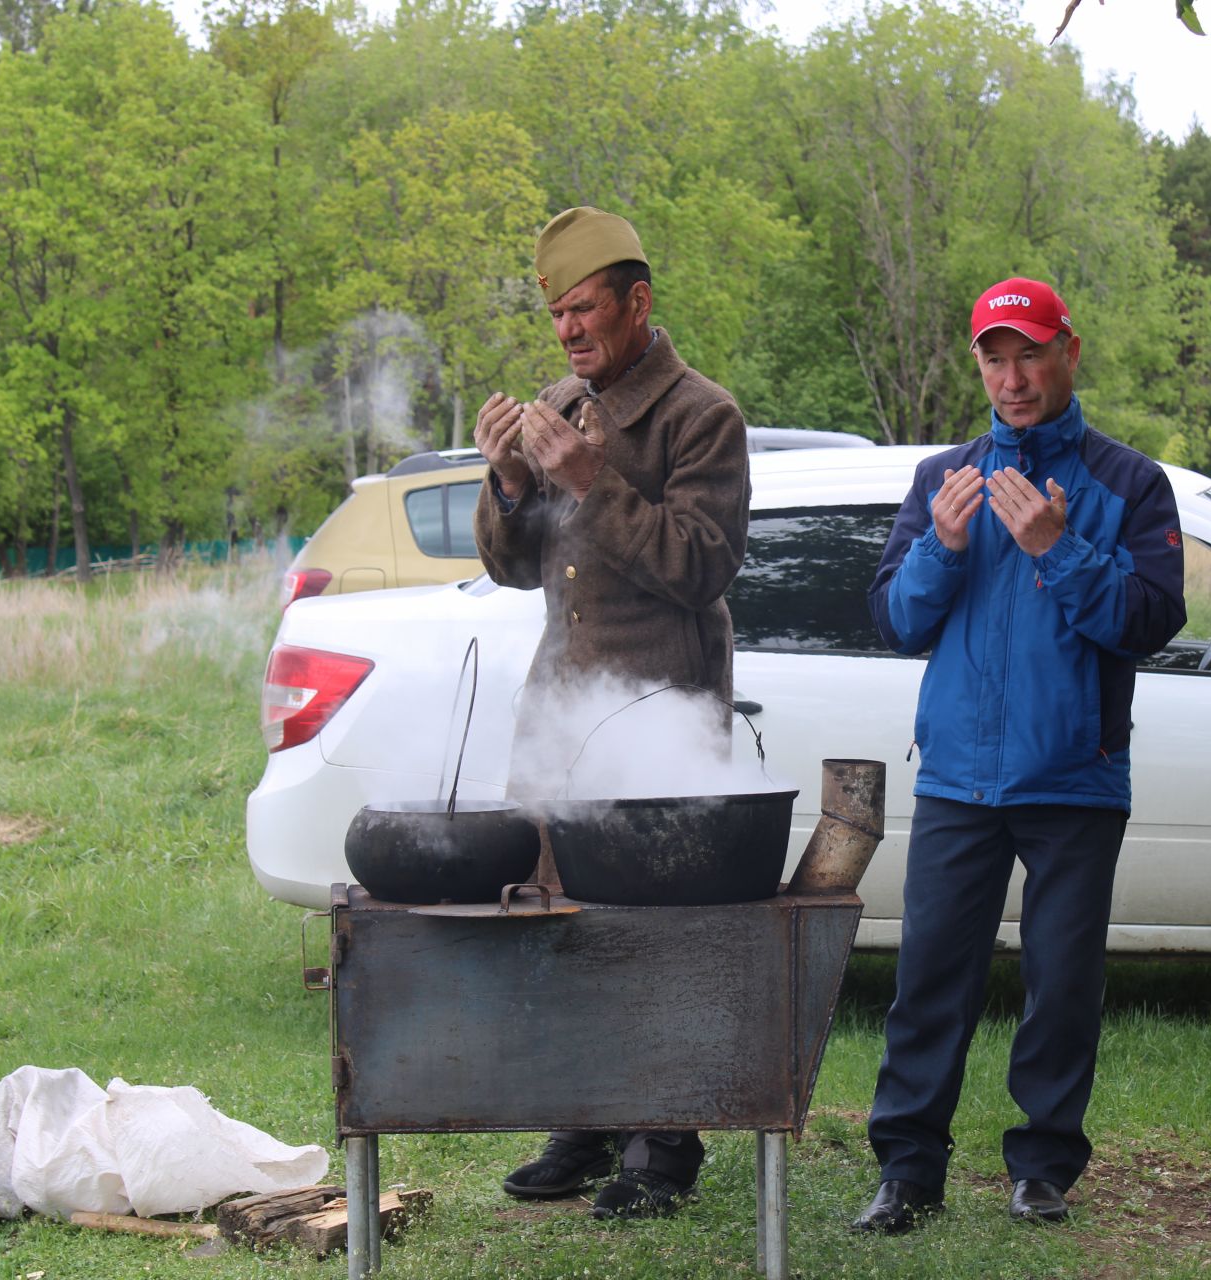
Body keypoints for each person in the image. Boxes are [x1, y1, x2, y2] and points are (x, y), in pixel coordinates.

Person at [852, 277, 1186, 1233]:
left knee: (1061, 986)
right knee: (929, 985)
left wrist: (1057, 546)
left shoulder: (1130, 484)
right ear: (979, 367)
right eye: (995, 359)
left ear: (1069, 352)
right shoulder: (941, 482)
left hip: (1075, 776)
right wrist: (945, 548)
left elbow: (1151, 620)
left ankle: (1042, 1167)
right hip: (959, 776)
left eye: (1030, 353)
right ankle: (908, 1172)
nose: (1014, 377)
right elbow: (894, 622)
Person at [472, 206, 751, 1221]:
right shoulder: (555, 404)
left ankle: (664, 1140)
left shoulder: (700, 415)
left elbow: (702, 564)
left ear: (638, 302)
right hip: (562, 717)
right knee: (560, 921)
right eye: (555, 313)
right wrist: (507, 480)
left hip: (659, 718)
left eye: (583, 308)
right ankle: (584, 1119)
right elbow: (511, 568)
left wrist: (588, 478)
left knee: (655, 933)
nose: (567, 331)